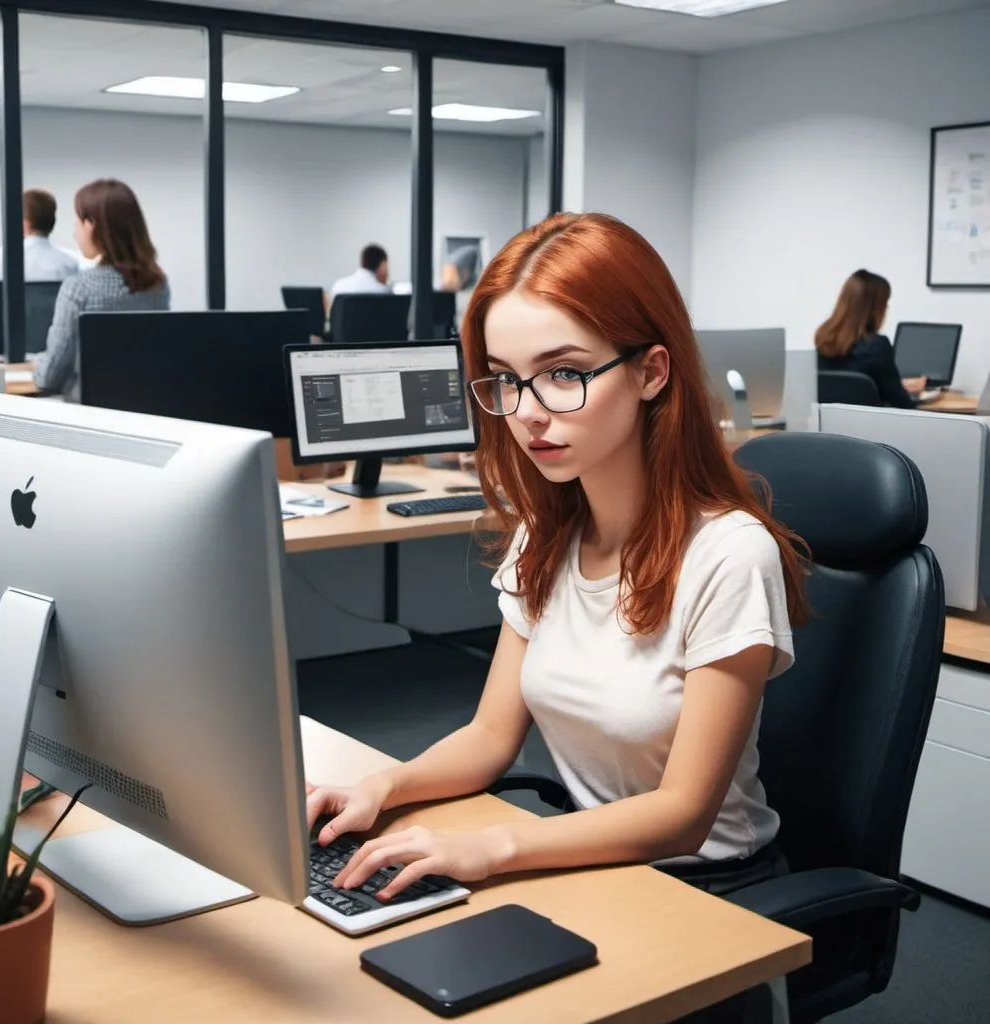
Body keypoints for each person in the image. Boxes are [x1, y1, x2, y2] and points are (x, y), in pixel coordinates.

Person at [305, 213, 810, 898]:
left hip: (711, 891)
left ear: (651, 372)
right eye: (505, 380)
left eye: (564, 373)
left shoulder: (728, 555)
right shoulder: (547, 536)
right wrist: (379, 787)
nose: (527, 413)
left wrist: (497, 845)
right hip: (588, 862)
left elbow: (683, 816)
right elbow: (489, 738)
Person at [33, 179, 170, 402]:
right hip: (144, 415)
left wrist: (37, 362)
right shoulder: (158, 283)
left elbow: (49, 377)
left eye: (77, 223)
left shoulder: (79, 287)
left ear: (92, 224)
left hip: (89, 420)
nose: (75, 233)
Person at [815, 269, 924, 408]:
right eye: (885, 304)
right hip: (872, 427)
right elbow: (901, 404)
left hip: (828, 427)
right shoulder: (877, 346)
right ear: (875, 308)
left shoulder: (823, 340)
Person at [0, 188, 79, 317]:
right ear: (52, 222)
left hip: (5, 336)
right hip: (54, 335)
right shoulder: (70, 264)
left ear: (24, 224)